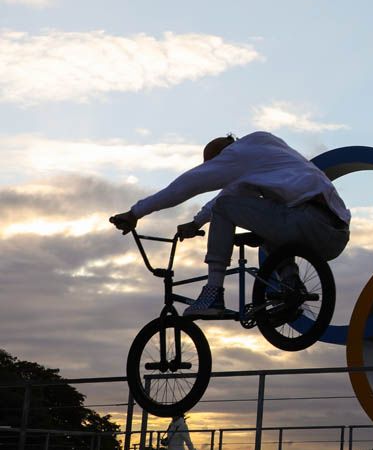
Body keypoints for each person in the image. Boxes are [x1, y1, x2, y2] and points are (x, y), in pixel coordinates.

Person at [110, 132, 350, 318]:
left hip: (307, 221)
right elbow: (231, 192)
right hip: (335, 235)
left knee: (225, 207)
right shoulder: (265, 150)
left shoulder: (236, 154)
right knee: (263, 234)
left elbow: (189, 185)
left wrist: (135, 213)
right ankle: (291, 289)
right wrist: (196, 223)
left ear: (223, 157)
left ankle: (214, 291)